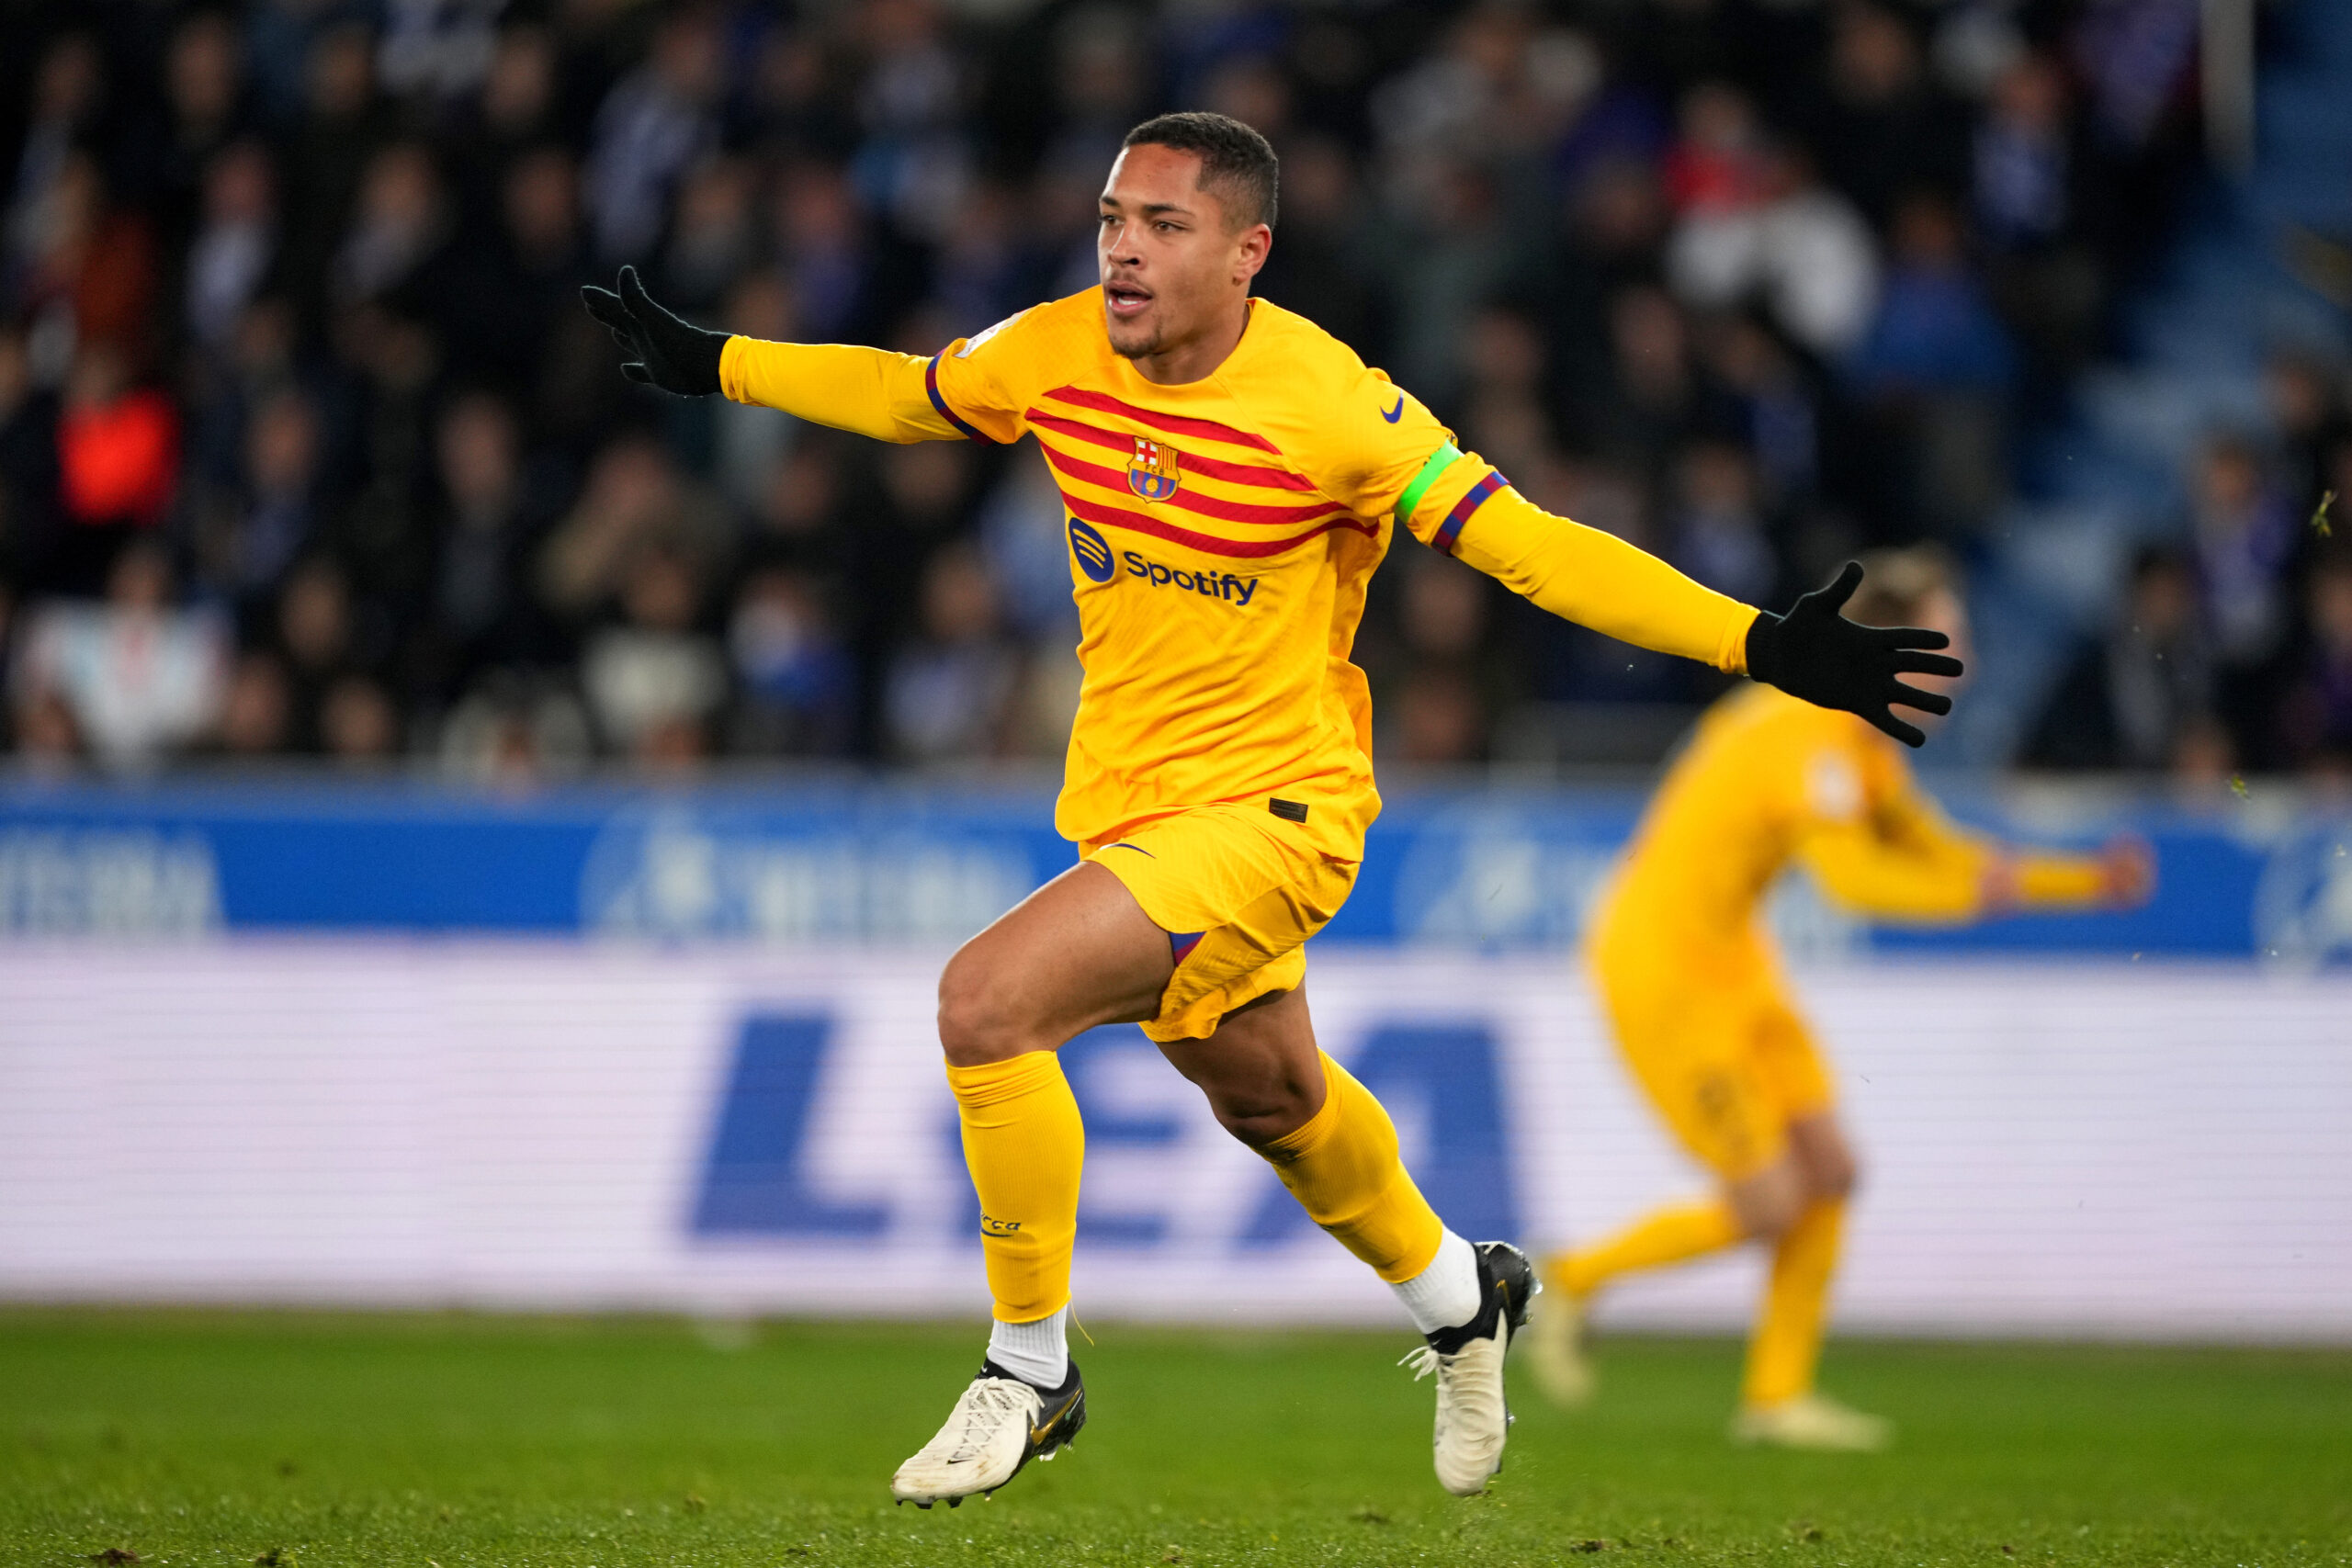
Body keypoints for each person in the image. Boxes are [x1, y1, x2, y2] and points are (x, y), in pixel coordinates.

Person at [584, 112, 1956, 1503]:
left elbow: (1536, 550)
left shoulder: (1335, 407)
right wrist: (717, 363)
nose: (1122, 250)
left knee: (987, 1002)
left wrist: (1759, 641)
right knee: (1274, 1095)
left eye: (1161, 226)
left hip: (1280, 813)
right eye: (1114, 218)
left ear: (1248, 252)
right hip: (1134, 806)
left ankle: (1029, 1364)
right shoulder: (1056, 348)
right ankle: (1462, 1295)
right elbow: (905, 391)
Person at [1526, 546, 2151, 1450]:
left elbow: (1934, 849)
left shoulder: (1855, 737)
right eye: (1946, 638)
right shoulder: (1806, 734)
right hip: (1659, 967)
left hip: (1737, 960)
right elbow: (1855, 881)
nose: (1963, 658)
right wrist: (1972, 898)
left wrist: (2085, 881)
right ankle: (1575, 1277)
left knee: (1831, 1173)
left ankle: (1776, 1399)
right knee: (1772, 1200)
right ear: (1890, 639)